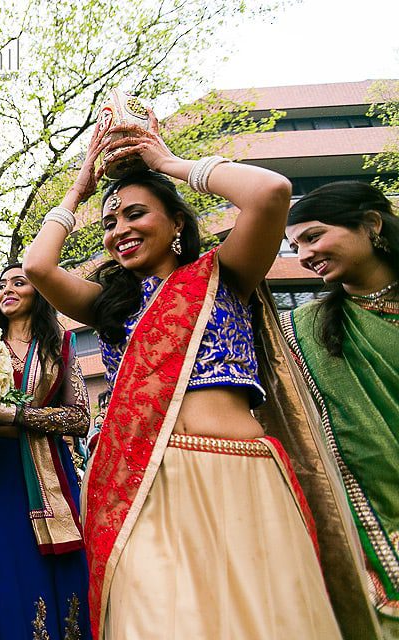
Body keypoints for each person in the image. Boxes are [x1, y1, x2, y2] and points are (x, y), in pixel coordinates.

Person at [23, 112, 342, 639]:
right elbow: (37, 268)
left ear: (176, 223)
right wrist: (78, 188)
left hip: (237, 479)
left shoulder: (225, 272)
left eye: (134, 214)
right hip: (137, 487)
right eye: (110, 223)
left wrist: (167, 162)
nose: (120, 230)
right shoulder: (110, 305)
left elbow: (270, 192)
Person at [282, 181, 399, 637]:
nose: (304, 255)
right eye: (295, 246)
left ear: (371, 224)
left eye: (313, 237)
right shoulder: (305, 330)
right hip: (377, 524)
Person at [0, 263, 92, 640]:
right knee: (2, 563)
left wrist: (18, 414)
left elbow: (81, 417)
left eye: (19, 282)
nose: (7, 289)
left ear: (38, 291)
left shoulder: (60, 346)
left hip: (49, 472)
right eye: (2, 284)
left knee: (53, 568)